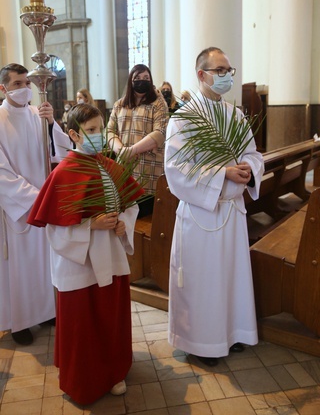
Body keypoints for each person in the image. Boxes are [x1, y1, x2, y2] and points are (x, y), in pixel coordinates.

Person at [27, 103, 144, 404]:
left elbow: (132, 204)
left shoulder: (111, 166)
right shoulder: (63, 173)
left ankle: (114, 370)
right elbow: (53, 228)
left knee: (109, 317)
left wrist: (123, 223)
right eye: (91, 131)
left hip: (111, 256)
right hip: (78, 264)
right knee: (82, 324)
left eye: (100, 129)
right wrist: (89, 225)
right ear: (73, 135)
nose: (98, 136)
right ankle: (82, 379)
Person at [164, 47, 264, 366]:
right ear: (201, 75)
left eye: (228, 70)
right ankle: (201, 342)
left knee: (228, 276)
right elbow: (176, 169)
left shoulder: (234, 115)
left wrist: (248, 170)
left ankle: (229, 332)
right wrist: (223, 174)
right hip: (202, 213)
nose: (226, 76)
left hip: (231, 213)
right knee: (203, 279)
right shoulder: (183, 118)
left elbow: (253, 154)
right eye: (219, 70)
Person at [0, 63, 70, 345]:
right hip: (19, 207)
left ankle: (46, 310)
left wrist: (52, 123)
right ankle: (20, 321)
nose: (23, 88)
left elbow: (61, 153)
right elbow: (1, 172)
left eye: (26, 82)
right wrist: (34, 196)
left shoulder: (36, 114)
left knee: (45, 260)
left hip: (44, 201)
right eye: (17, 84)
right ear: (3, 88)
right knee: (21, 264)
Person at [108, 64, 168, 217]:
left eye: (146, 78)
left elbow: (160, 133)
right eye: (138, 78)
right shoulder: (119, 105)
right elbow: (109, 132)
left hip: (149, 172)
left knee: (147, 218)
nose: (142, 81)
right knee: (126, 219)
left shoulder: (158, 103)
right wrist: (121, 150)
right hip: (126, 171)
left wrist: (131, 151)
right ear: (131, 81)